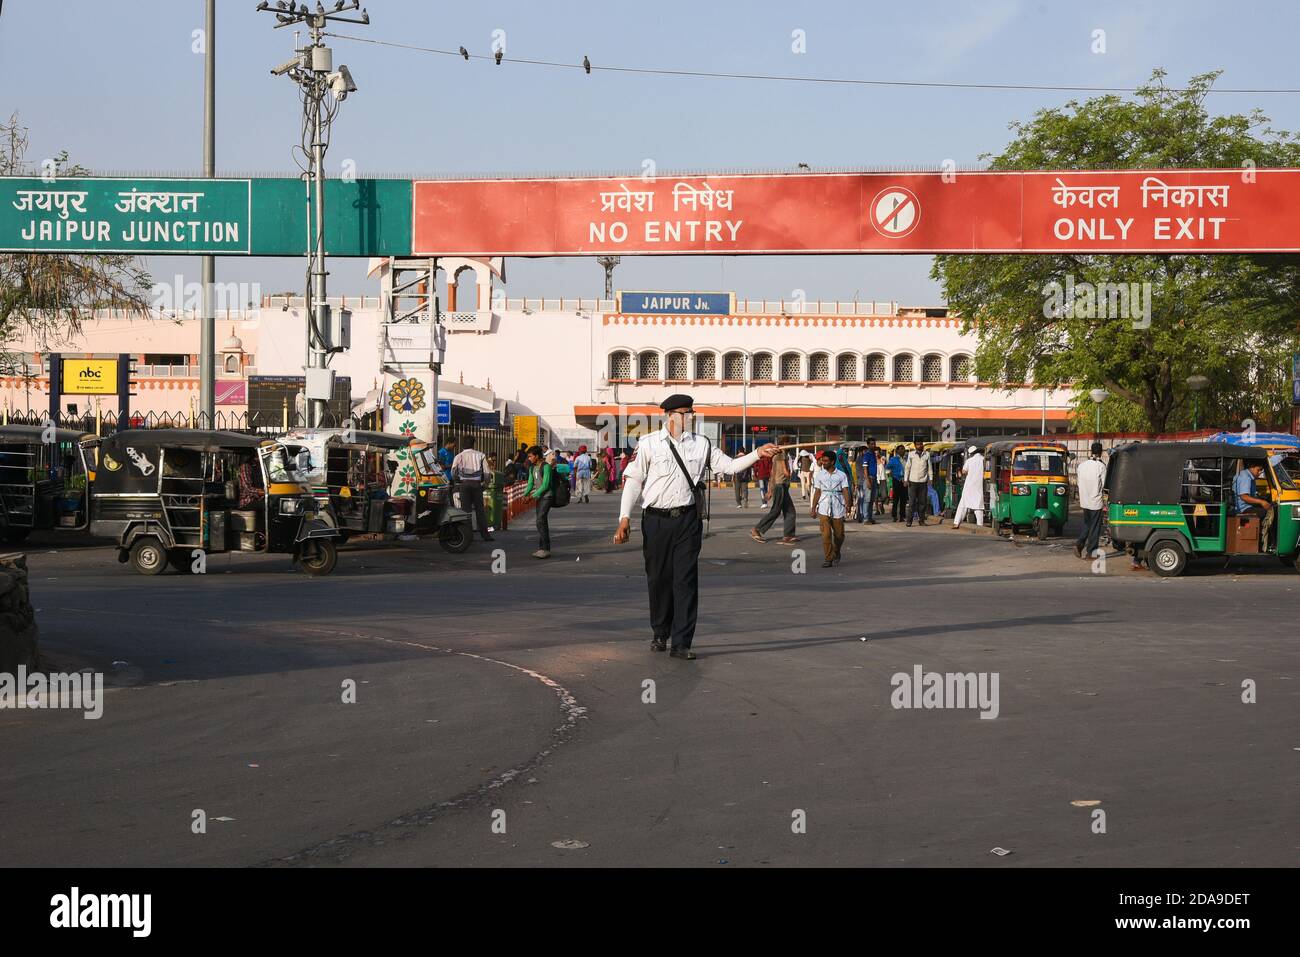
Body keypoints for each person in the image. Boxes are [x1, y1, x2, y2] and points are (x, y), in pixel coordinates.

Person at [613, 394, 778, 660]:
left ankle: (681, 643)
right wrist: (624, 518)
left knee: (685, 581)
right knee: (658, 579)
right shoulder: (648, 443)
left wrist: (757, 453)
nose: (689, 417)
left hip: (687, 520)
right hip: (654, 520)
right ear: (669, 415)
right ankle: (660, 631)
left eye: (691, 412)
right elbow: (633, 481)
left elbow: (731, 466)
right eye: (684, 413)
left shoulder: (702, 445)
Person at [751, 434, 798, 544]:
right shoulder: (782, 453)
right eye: (789, 442)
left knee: (790, 511)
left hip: (779, 485)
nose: (790, 445)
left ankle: (788, 535)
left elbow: (772, 473)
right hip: (781, 485)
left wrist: (770, 490)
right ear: (786, 443)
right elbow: (785, 471)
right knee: (776, 510)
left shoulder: (776, 454)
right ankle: (757, 530)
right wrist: (789, 474)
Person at [810, 448, 849, 567]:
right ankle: (828, 558)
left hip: (838, 507)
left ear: (832, 462)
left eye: (826, 461)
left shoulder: (841, 475)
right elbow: (817, 491)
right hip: (823, 507)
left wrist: (848, 503)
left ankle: (836, 551)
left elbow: (845, 490)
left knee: (839, 535)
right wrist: (813, 508)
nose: (823, 463)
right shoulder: (820, 475)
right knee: (826, 535)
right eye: (823, 461)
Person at [451, 437, 493, 542]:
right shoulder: (481, 455)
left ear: (463, 445)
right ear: (473, 444)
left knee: (466, 511)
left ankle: (468, 535)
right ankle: (485, 535)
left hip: (464, 485)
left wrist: (458, 481)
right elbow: (487, 473)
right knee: (480, 510)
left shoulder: (458, 456)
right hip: (477, 485)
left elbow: (453, 472)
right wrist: (485, 484)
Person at [1073, 442, 1107, 558]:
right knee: (1095, 527)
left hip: (1084, 501)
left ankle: (1079, 544)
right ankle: (1091, 552)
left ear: (1090, 451)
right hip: (1095, 502)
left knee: (1088, 524)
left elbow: (1078, 482)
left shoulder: (1082, 465)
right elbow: (1105, 485)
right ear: (1101, 452)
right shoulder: (1101, 466)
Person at [1233, 458, 1274, 545]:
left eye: (1261, 471)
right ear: (1251, 467)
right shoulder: (1246, 477)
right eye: (1258, 470)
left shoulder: (1249, 476)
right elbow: (1244, 497)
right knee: (1269, 513)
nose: (1259, 473)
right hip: (1244, 508)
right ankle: (1267, 541)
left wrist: (1263, 500)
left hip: (1247, 506)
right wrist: (1261, 502)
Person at [523, 446, 555, 558]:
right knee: (542, 522)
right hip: (539, 497)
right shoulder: (532, 468)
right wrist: (525, 494)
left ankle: (545, 548)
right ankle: (542, 548)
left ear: (537, 456)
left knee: (540, 520)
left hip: (547, 496)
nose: (529, 458)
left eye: (531, 456)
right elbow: (530, 483)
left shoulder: (546, 467)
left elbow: (545, 485)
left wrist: (531, 496)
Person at [953, 444, 987, 530]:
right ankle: (980, 525)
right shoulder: (983, 459)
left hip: (969, 486)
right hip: (979, 485)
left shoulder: (969, 461)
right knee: (978, 506)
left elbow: (963, 472)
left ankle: (956, 523)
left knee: (963, 504)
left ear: (971, 453)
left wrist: (959, 471)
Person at [904, 439, 932, 526]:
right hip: (912, 482)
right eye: (918, 444)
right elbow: (907, 467)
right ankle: (909, 521)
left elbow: (929, 468)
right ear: (915, 445)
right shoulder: (911, 454)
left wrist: (931, 479)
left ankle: (921, 521)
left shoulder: (927, 454)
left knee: (922, 502)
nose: (920, 446)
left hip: (923, 482)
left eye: (921, 444)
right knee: (912, 503)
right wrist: (906, 479)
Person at [887, 445, 905, 521]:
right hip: (896, 480)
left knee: (903, 499)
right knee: (896, 499)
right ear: (897, 451)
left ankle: (902, 516)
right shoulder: (893, 459)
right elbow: (887, 468)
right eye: (901, 449)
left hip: (904, 480)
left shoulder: (906, 459)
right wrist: (891, 475)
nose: (903, 451)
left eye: (903, 449)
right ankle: (894, 516)